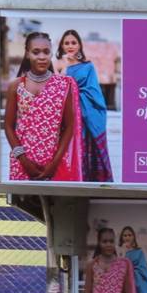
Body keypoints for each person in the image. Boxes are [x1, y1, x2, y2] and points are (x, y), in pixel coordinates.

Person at [4, 31, 83, 181]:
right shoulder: (16, 86)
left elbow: (70, 127)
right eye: (36, 52)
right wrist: (24, 160)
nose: (41, 57)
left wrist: (54, 164)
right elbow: (9, 126)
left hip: (54, 165)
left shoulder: (64, 85)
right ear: (27, 54)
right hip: (21, 164)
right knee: (22, 205)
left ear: (51, 53)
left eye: (46, 52)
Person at [56, 28, 114, 182]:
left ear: (79, 45)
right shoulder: (58, 65)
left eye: (73, 42)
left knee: (85, 151)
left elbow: (94, 93)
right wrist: (64, 67)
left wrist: (75, 96)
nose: (70, 46)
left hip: (85, 117)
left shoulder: (88, 67)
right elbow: (55, 89)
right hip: (64, 116)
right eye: (66, 43)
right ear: (61, 46)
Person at [85, 226, 137, 293]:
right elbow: (87, 292)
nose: (108, 244)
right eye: (105, 241)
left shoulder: (124, 264)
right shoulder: (92, 265)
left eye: (111, 241)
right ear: (99, 243)